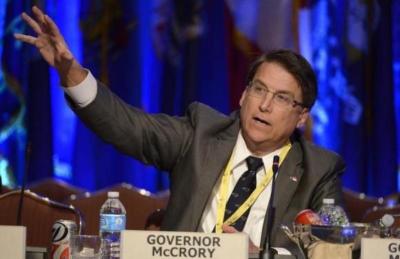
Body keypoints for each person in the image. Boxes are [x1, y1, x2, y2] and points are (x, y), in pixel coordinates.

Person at [15, 6, 346, 257]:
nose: (264, 105)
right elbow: (131, 128)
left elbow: (335, 249)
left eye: (281, 98)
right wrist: (70, 71)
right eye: (259, 90)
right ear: (244, 95)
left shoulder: (318, 169)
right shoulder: (202, 131)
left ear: (301, 116)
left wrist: (257, 254)